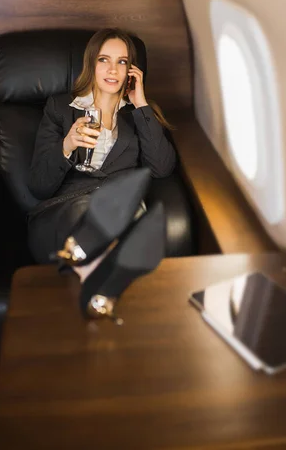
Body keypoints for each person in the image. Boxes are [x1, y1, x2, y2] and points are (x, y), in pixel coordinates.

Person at [27, 28, 176, 321]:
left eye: (122, 62)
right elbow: (39, 185)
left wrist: (141, 102)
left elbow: (162, 167)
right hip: (66, 209)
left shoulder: (139, 115)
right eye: (104, 59)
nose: (112, 69)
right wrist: (67, 145)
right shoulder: (60, 109)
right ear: (91, 64)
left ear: (131, 70)